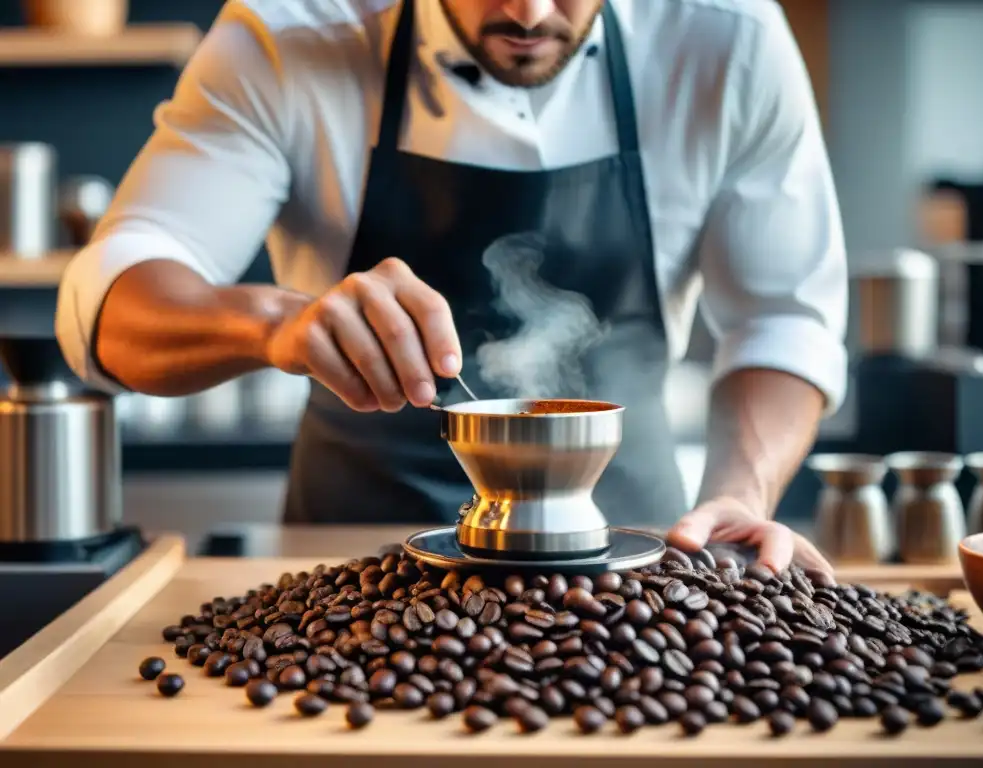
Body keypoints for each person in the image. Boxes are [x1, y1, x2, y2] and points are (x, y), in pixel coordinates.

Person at [55, 0, 848, 572]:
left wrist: (742, 493)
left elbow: (782, 319)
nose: (531, 12)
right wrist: (274, 322)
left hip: (638, 561)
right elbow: (109, 305)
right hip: (350, 572)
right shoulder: (286, 36)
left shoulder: (729, 40)